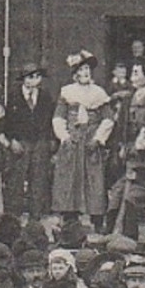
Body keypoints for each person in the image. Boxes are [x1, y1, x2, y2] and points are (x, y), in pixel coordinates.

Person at [50, 50, 115, 229]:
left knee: (94, 179)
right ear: (75, 74)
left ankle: (96, 219)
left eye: (87, 69)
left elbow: (108, 118)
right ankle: (70, 219)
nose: (85, 73)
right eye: (81, 70)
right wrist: (64, 137)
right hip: (73, 141)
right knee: (70, 178)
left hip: (91, 142)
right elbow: (58, 117)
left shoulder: (98, 93)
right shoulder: (67, 92)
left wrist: (98, 138)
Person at [3, 62, 55, 220]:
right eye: (31, 77)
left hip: (40, 142)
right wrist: (12, 140)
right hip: (21, 142)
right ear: (24, 79)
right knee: (16, 179)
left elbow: (51, 120)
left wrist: (51, 140)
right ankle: (13, 216)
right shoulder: (13, 96)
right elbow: (7, 122)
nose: (34, 81)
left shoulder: (45, 96)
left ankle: (36, 217)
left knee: (38, 179)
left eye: (37, 77)